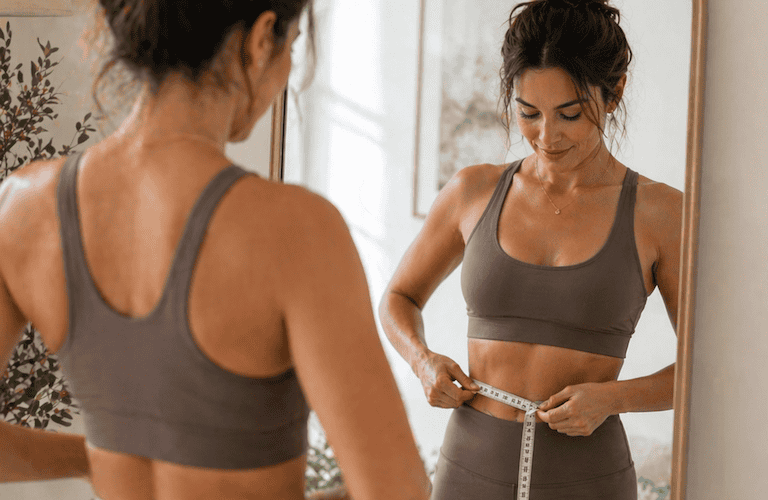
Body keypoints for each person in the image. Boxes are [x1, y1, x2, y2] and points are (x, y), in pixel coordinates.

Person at [0, 1, 431, 499]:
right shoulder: (296, 230)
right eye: (291, 47)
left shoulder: (22, 209)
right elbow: (397, 491)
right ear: (262, 37)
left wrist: (98, 459)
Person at [379, 0, 681, 498]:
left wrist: (613, 398)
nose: (546, 135)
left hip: (590, 478)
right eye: (528, 113)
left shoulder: (661, 214)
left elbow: (708, 365)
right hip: (467, 471)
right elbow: (399, 298)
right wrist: (421, 360)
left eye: (569, 113)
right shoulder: (471, 192)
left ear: (614, 93)